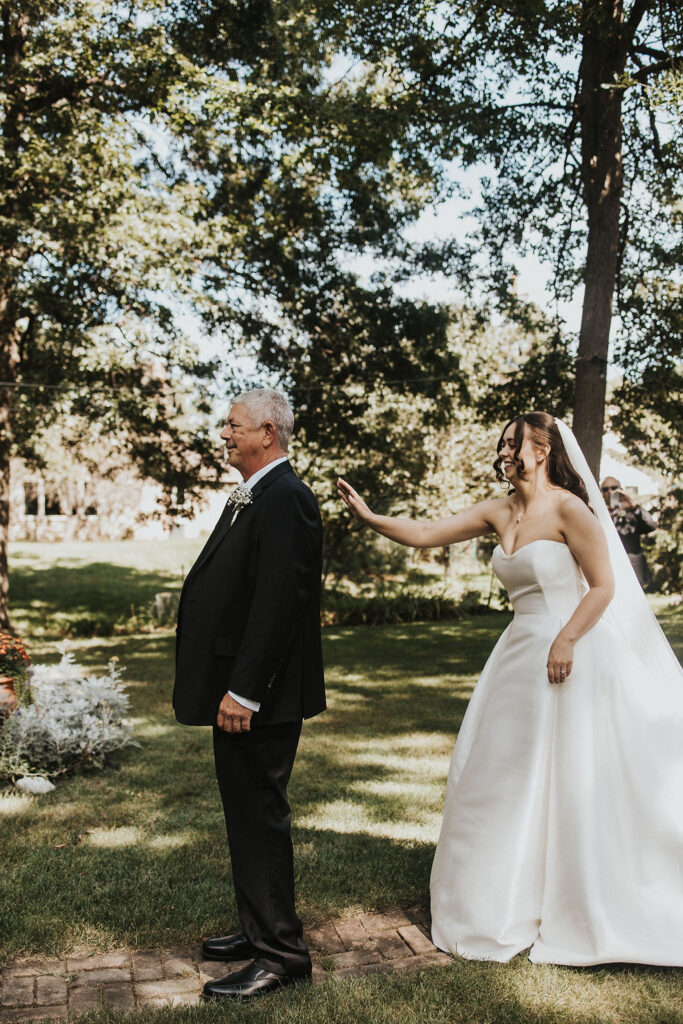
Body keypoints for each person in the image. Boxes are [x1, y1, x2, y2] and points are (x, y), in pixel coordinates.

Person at [338, 412, 683, 966]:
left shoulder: (570, 508)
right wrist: (370, 516)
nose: (504, 451)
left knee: (565, 775)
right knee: (499, 773)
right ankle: (490, 902)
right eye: (501, 444)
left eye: (513, 443)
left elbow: (604, 586)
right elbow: (427, 534)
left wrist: (567, 639)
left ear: (543, 449)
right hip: (517, 656)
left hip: (570, 653)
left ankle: (575, 895)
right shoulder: (500, 509)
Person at [173, 388, 325, 1000]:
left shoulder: (286, 497)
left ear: (268, 432)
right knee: (244, 817)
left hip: (257, 697)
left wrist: (244, 692)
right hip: (239, 691)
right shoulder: (256, 493)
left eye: (234, 425)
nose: (224, 433)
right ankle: (257, 928)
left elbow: (278, 604)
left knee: (260, 819)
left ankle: (281, 956)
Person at [601, 475, 656, 587]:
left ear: (620, 489)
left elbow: (651, 526)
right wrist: (608, 516)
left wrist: (634, 507)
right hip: (609, 565)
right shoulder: (599, 512)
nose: (610, 491)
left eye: (614, 487)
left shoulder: (631, 510)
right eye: (605, 489)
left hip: (633, 563)